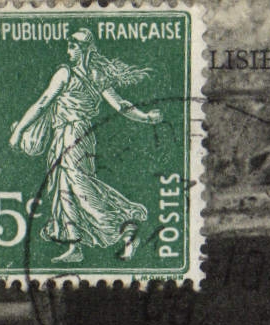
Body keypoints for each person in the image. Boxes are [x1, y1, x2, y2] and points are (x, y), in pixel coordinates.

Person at [8, 28, 161, 265]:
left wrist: (18, 131)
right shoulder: (96, 75)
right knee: (65, 187)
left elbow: (42, 104)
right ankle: (75, 245)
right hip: (75, 135)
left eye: (72, 47)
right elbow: (121, 105)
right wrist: (146, 117)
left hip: (72, 134)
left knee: (78, 186)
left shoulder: (65, 73)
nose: (68, 51)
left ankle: (126, 228)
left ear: (83, 50)